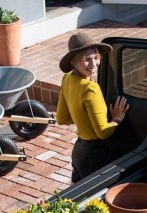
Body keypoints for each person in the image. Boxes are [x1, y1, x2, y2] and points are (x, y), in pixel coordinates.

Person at [56, 31, 130, 183]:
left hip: (79, 152)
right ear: (73, 62)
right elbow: (103, 132)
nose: (93, 64)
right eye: (86, 60)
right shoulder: (90, 89)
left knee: (76, 199)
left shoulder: (67, 79)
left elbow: (62, 118)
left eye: (96, 58)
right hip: (96, 155)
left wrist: (83, 119)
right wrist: (117, 118)